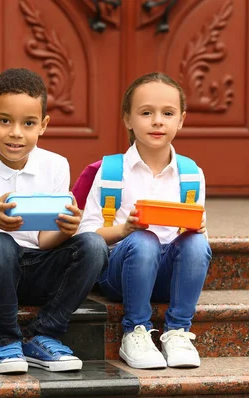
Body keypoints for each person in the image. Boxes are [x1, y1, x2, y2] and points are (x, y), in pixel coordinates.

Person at [0, 68, 108, 374]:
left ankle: (44, 335)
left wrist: (66, 230)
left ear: (43, 125)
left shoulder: (55, 165)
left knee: (94, 244)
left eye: (29, 123)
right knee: (0, 244)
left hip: (35, 266)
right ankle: (6, 341)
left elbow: (43, 241)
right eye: (4, 121)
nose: (16, 133)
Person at [78, 72, 212, 369]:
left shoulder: (190, 173)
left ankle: (177, 331)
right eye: (146, 113)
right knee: (143, 239)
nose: (157, 121)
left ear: (181, 120)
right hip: (120, 272)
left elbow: (194, 240)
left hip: (167, 275)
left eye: (168, 113)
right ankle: (134, 331)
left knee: (196, 241)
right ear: (127, 119)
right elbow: (86, 235)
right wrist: (125, 229)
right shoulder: (112, 171)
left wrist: (196, 228)